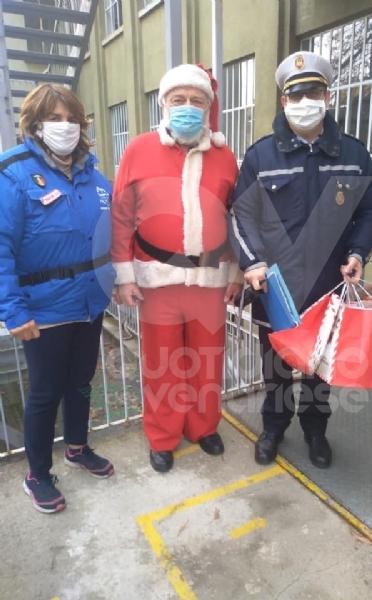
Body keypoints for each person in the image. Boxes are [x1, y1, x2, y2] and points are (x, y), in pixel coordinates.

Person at [228, 51, 372, 469]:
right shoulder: (262, 156)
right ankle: (274, 427)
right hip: (275, 287)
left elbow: (371, 210)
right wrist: (253, 262)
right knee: (276, 366)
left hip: (326, 285)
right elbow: (241, 215)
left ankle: (316, 431)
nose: (305, 102)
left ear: (327, 96)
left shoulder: (353, 153)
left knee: (319, 367)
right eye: (295, 96)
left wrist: (358, 253)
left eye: (313, 92)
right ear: (283, 101)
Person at [111, 64, 242, 473]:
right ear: (164, 104)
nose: (187, 107)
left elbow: (240, 218)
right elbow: (121, 216)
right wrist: (124, 275)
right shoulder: (138, 150)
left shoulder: (224, 156)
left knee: (207, 361)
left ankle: (203, 427)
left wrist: (237, 272)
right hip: (157, 280)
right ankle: (163, 436)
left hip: (209, 280)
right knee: (162, 364)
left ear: (208, 107)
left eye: (196, 101)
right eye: (178, 100)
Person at [0, 84, 116, 514]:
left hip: (88, 305)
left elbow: (109, 238)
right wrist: (12, 311)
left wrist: (115, 281)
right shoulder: (12, 173)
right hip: (42, 311)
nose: (65, 126)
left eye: (72, 118)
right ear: (34, 124)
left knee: (81, 385)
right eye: (55, 118)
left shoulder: (95, 177)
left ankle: (78, 447)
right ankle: (36, 474)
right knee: (45, 393)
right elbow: (1, 248)